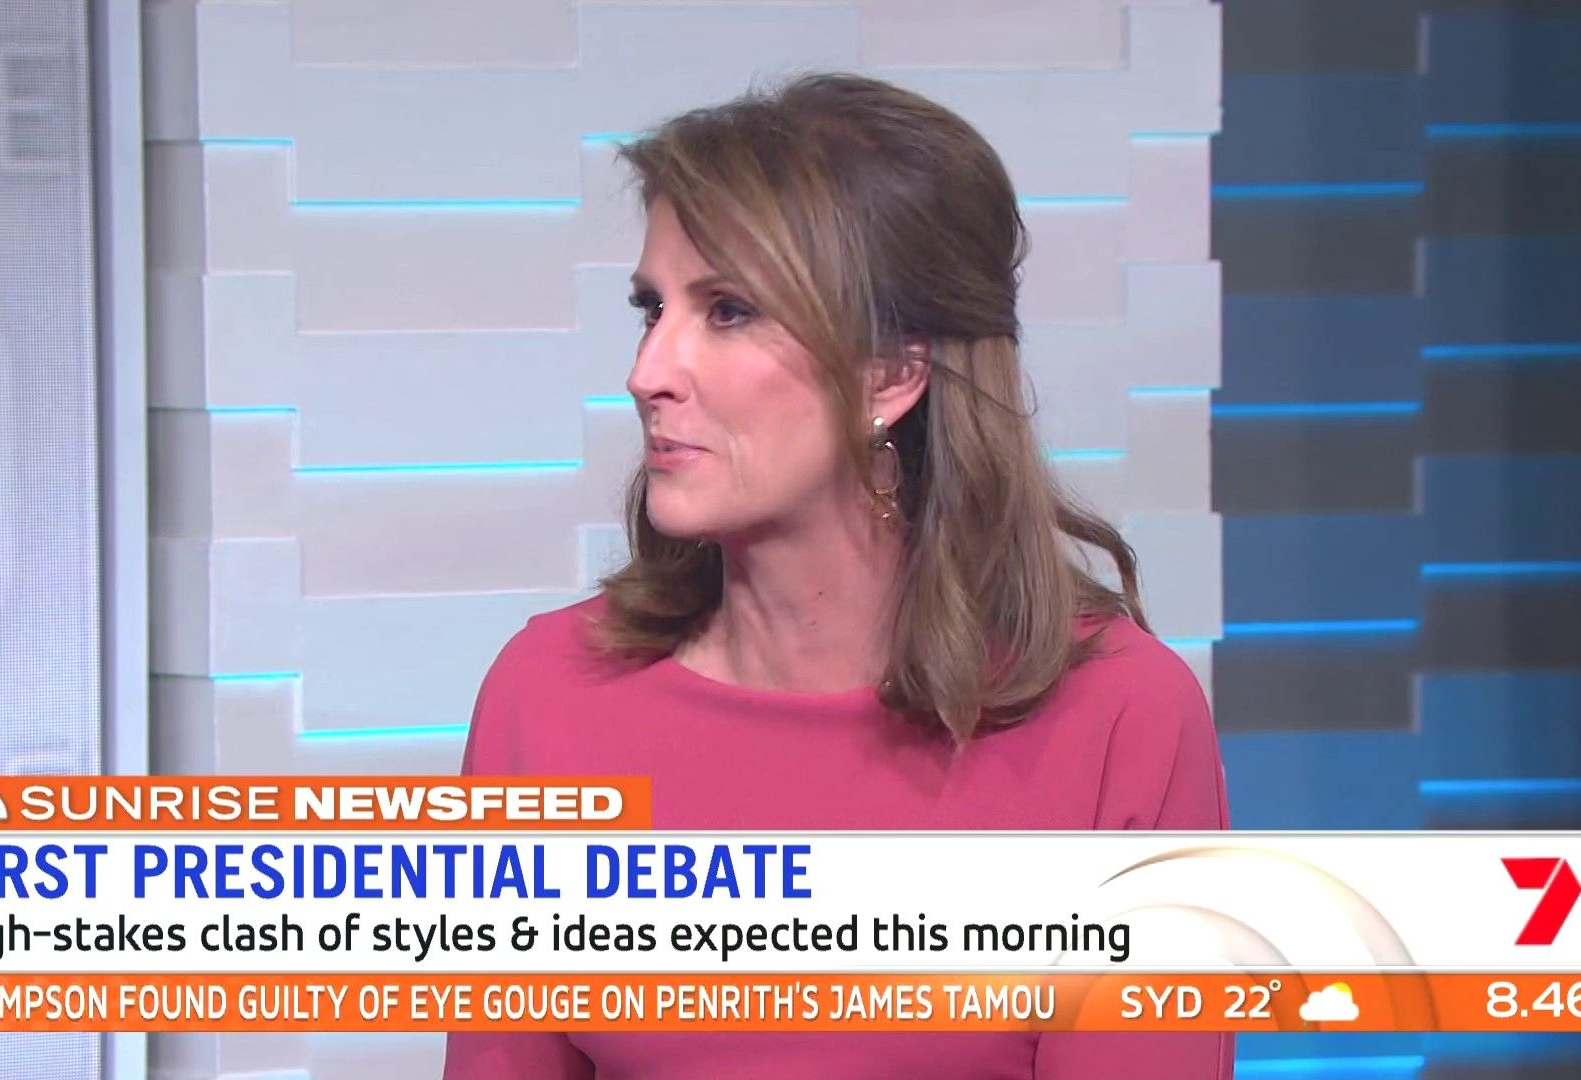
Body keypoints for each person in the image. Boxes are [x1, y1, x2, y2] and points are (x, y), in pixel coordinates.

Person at [444, 72, 1232, 1080]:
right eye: (652, 309)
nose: (649, 372)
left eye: (728, 311)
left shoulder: (1120, 718)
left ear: (891, 375)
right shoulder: (547, 696)